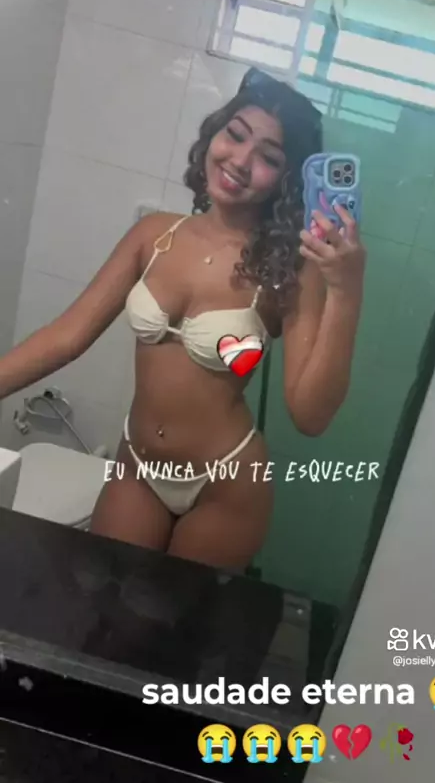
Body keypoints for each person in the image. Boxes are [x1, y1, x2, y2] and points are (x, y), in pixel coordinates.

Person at [0, 68, 365, 569]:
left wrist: (346, 290)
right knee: (100, 605)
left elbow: (310, 416)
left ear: (286, 180)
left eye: (269, 158)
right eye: (235, 135)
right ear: (214, 132)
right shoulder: (154, 235)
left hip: (226, 483)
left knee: (169, 619)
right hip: (137, 467)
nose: (240, 160)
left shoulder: (288, 268)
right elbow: (67, 336)